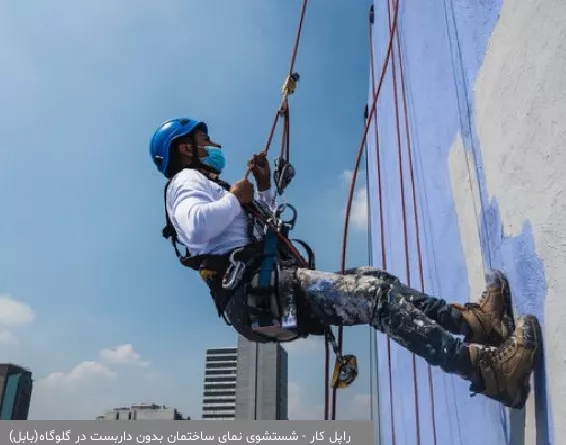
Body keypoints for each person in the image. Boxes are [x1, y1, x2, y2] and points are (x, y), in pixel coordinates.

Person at [149, 117, 542, 410]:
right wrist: (236, 196)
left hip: (271, 286)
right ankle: (490, 374)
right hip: (257, 294)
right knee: (374, 298)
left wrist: (262, 188)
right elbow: (196, 228)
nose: (212, 142)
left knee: (375, 281)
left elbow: (257, 226)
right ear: (185, 147)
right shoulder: (184, 183)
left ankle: (476, 325)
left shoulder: (211, 185)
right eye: (204, 138)